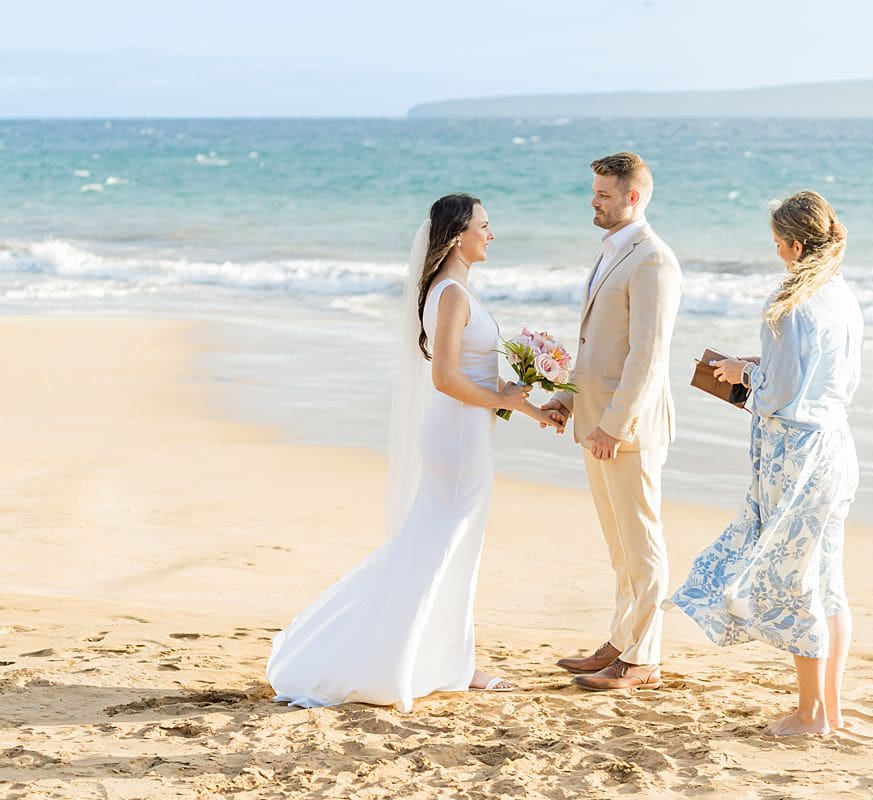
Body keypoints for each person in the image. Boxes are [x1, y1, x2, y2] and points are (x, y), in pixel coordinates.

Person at [267, 194, 562, 711]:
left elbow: (477, 374)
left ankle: (451, 658)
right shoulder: (451, 295)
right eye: (484, 226)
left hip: (468, 432)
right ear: (458, 236)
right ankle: (439, 662)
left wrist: (533, 408)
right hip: (459, 437)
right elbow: (445, 378)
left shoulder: (455, 291)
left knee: (449, 546)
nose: (491, 234)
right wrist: (504, 400)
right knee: (442, 546)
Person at [666, 190, 862, 735]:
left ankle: (810, 714)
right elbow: (827, 378)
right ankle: (832, 710)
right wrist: (760, 366)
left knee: (794, 579)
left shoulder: (789, 302)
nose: (776, 252)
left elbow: (776, 394)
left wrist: (741, 373)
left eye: (778, 243)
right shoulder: (842, 294)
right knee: (827, 578)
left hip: (793, 455)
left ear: (795, 245)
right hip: (835, 446)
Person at [542, 152, 683, 691]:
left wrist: (615, 425)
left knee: (641, 544)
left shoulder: (653, 260)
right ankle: (623, 640)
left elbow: (648, 355)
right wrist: (569, 400)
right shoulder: (613, 252)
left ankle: (642, 659)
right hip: (597, 420)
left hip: (629, 430)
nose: (593, 202)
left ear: (633, 197)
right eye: (594, 192)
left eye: (603, 194)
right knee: (620, 546)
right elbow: (597, 347)